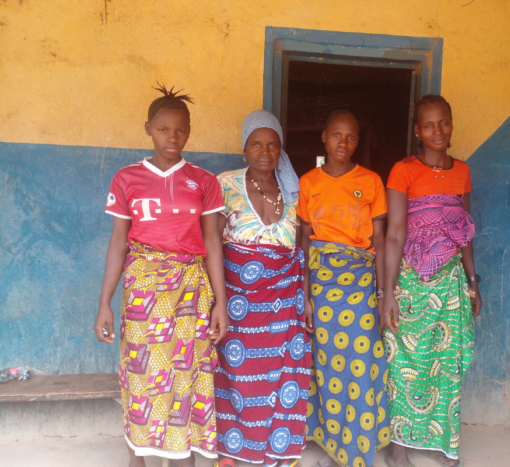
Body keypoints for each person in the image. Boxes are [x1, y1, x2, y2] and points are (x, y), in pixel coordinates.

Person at [94, 84, 229, 466]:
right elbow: (119, 242)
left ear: (189, 131)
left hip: (190, 288)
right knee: (140, 371)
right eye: (164, 129)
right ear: (148, 129)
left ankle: (180, 451)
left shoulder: (204, 181)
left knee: (187, 372)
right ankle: (138, 452)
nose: (173, 137)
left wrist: (221, 301)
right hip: (143, 288)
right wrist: (104, 303)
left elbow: (212, 244)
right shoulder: (126, 179)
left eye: (181, 129)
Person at [381, 95, 482, 467]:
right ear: (417, 131)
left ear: (452, 125)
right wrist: (388, 293)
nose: (437, 131)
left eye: (444, 123)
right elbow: (394, 235)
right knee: (403, 359)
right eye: (428, 125)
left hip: (450, 284)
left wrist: (473, 282)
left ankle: (445, 443)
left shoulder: (463, 172)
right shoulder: (403, 171)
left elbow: (464, 232)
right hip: (410, 282)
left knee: (446, 363)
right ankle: (398, 448)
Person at [213, 110, 313, 467]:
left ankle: (278, 449)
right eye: (256, 143)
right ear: (244, 148)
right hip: (237, 302)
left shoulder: (295, 192)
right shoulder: (224, 184)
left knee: (281, 374)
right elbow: (211, 242)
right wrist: (217, 301)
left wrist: (306, 295)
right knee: (233, 373)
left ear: (281, 148)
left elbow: (302, 249)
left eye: (272, 144)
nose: (264, 152)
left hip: (284, 303)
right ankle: (229, 451)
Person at [299, 110, 390, 467]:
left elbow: (380, 240)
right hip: (322, 286)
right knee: (324, 364)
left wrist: (382, 293)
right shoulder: (308, 182)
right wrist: (304, 293)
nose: (344, 143)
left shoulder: (370, 181)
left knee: (361, 363)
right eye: (337, 135)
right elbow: (304, 241)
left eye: (351, 137)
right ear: (324, 137)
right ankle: (328, 438)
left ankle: (356, 443)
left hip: (361, 284)